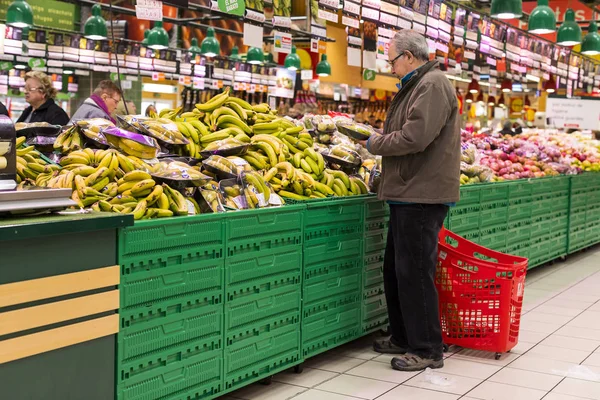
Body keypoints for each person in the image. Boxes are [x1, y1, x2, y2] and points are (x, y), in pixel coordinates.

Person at [361, 30, 460, 372]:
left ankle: (428, 348)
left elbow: (414, 137)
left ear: (409, 56)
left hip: (422, 193)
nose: (390, 67)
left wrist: (375, 143)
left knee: (415, 272)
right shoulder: (417, 84)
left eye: (392, 60)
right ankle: (404, 336)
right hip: (407, 191)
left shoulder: (432, 84)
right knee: (397, 270)